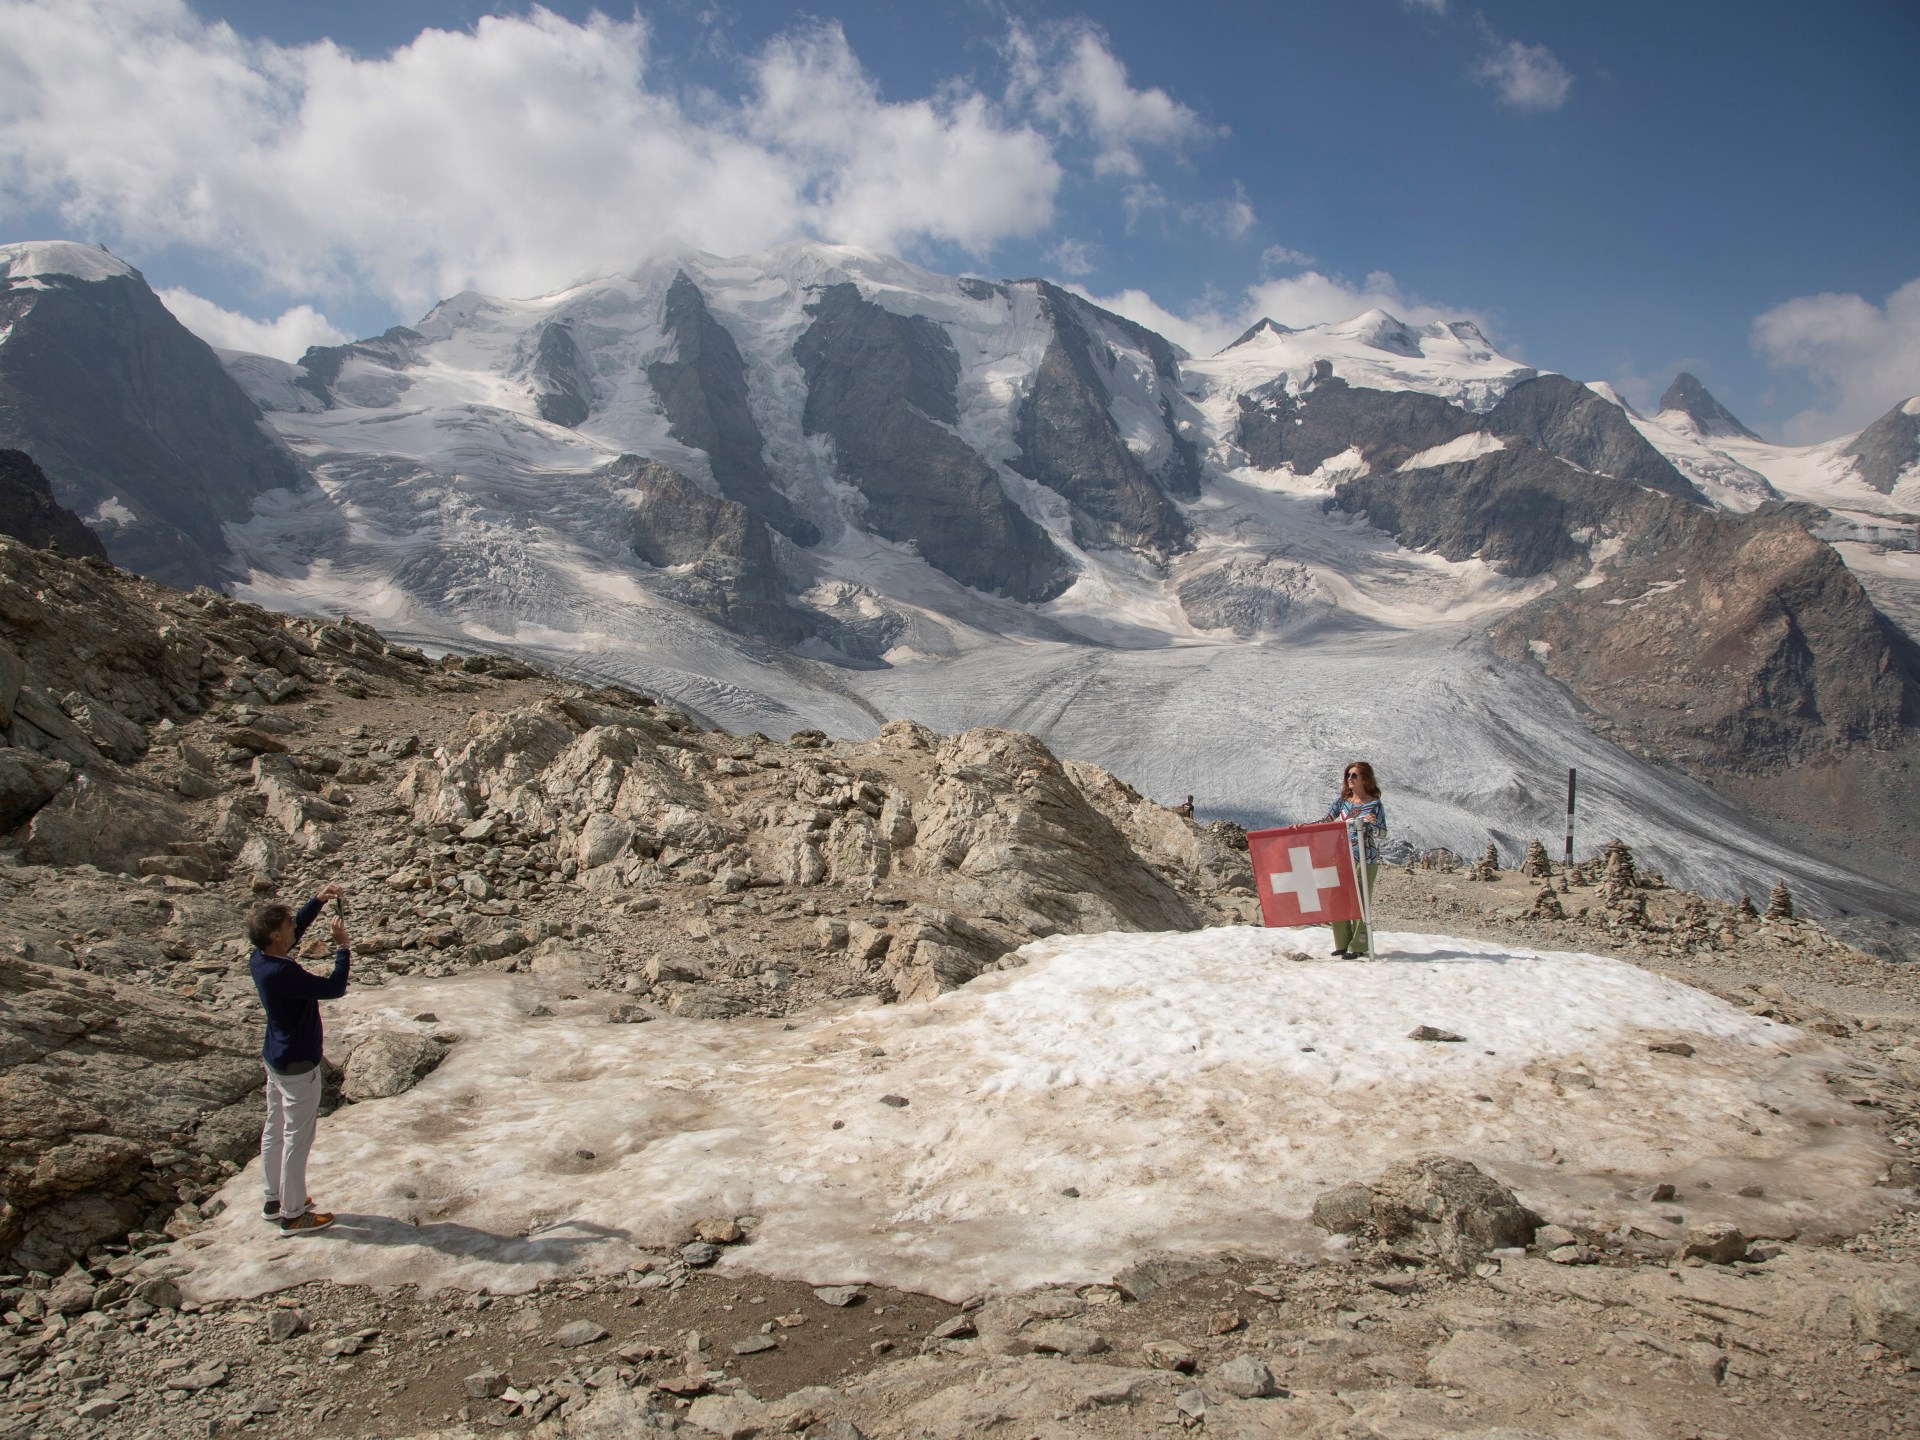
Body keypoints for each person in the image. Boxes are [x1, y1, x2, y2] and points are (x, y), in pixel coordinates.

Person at [247, 885, 351, 1233]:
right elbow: (334, 988)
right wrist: (342, 948)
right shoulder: (284, 973)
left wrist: (318, 901)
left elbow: (296, 931)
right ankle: (293, 1214)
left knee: (275, 1129)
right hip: (298, 1063)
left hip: (275, 1057)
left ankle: (273, 1199)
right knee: (298, 1136)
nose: (295, 926)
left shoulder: (261, 958)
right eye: (289, 924)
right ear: (275, 934)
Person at [1321, 761, 1386, 958]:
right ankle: (1341, 943)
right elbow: (1326, 821)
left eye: (1354, 775)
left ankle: (1358, 946)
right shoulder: (1342, 802)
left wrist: (1373, 825)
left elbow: (1382, 833)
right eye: (1348, 775)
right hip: (1341, 856)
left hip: (1365, 858)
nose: (1350, 779)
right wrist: (1302, 828)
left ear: (1365, 778)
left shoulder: (1374, 804)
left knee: (1359, 899)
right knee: (1337, 899)